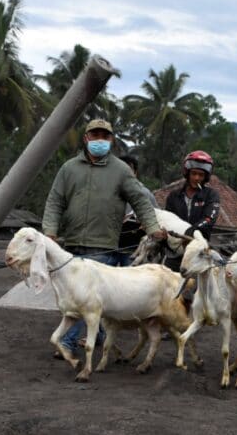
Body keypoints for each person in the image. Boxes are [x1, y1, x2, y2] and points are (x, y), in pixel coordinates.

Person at [42, 119, 167, 355]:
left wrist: (153, 228)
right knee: (76, 296)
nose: (100, 139)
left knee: (83, 298)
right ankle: (99, 336)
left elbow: (140, 200)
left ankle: (67, 343)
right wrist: (50, 231)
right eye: (95, 135)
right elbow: (55, 201)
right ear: (86, 138)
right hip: (72, 243)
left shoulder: (120, 170)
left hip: (102, 246)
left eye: (105, 136)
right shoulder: (69, 168)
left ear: (111, 140)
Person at [164, 150, 221, 271]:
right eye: (194, 173)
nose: (197, 178)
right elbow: (168, 220)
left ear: (206, 177)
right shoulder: (174, 196)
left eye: (201, 175)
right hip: (174, 253)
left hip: (198, 255)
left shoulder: (211, 195)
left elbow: (209, 219)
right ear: (187, 173)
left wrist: (192, 230)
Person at [112, 153, 157, 267]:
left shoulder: (145, 193)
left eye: (128, 170)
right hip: (110, 249)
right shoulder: (108, 193)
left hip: (133, 250)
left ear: (135, 173)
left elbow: (156, 218)